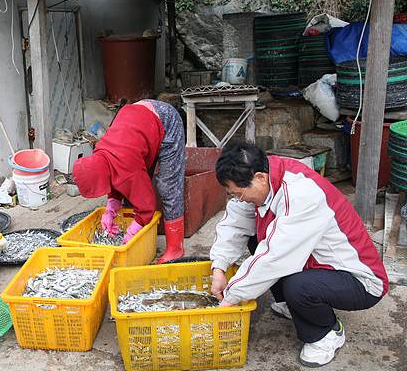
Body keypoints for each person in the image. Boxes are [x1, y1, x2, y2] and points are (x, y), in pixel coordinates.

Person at [209, 140, 388, 367]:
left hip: (359, 281)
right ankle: (295, 306)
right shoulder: (262, 177)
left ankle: (326, 333)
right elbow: (234, 224)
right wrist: (219, 268)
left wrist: (231, 298)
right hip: (317, 261)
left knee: (299, 286)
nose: (239, 199)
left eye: (239, 193)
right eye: (233, 194)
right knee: (256, 236)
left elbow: (276, 257)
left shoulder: (301, 194)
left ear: (260, 178)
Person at [73, 99, 185, 264]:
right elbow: (113, 176)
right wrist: (110, 210)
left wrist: (133, 232)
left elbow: (147, 206)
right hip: (138, 119)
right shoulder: (100, 154)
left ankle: (176, 249)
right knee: (134, 183)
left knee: (168, 186)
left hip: (165, 119)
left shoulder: (126, 165)